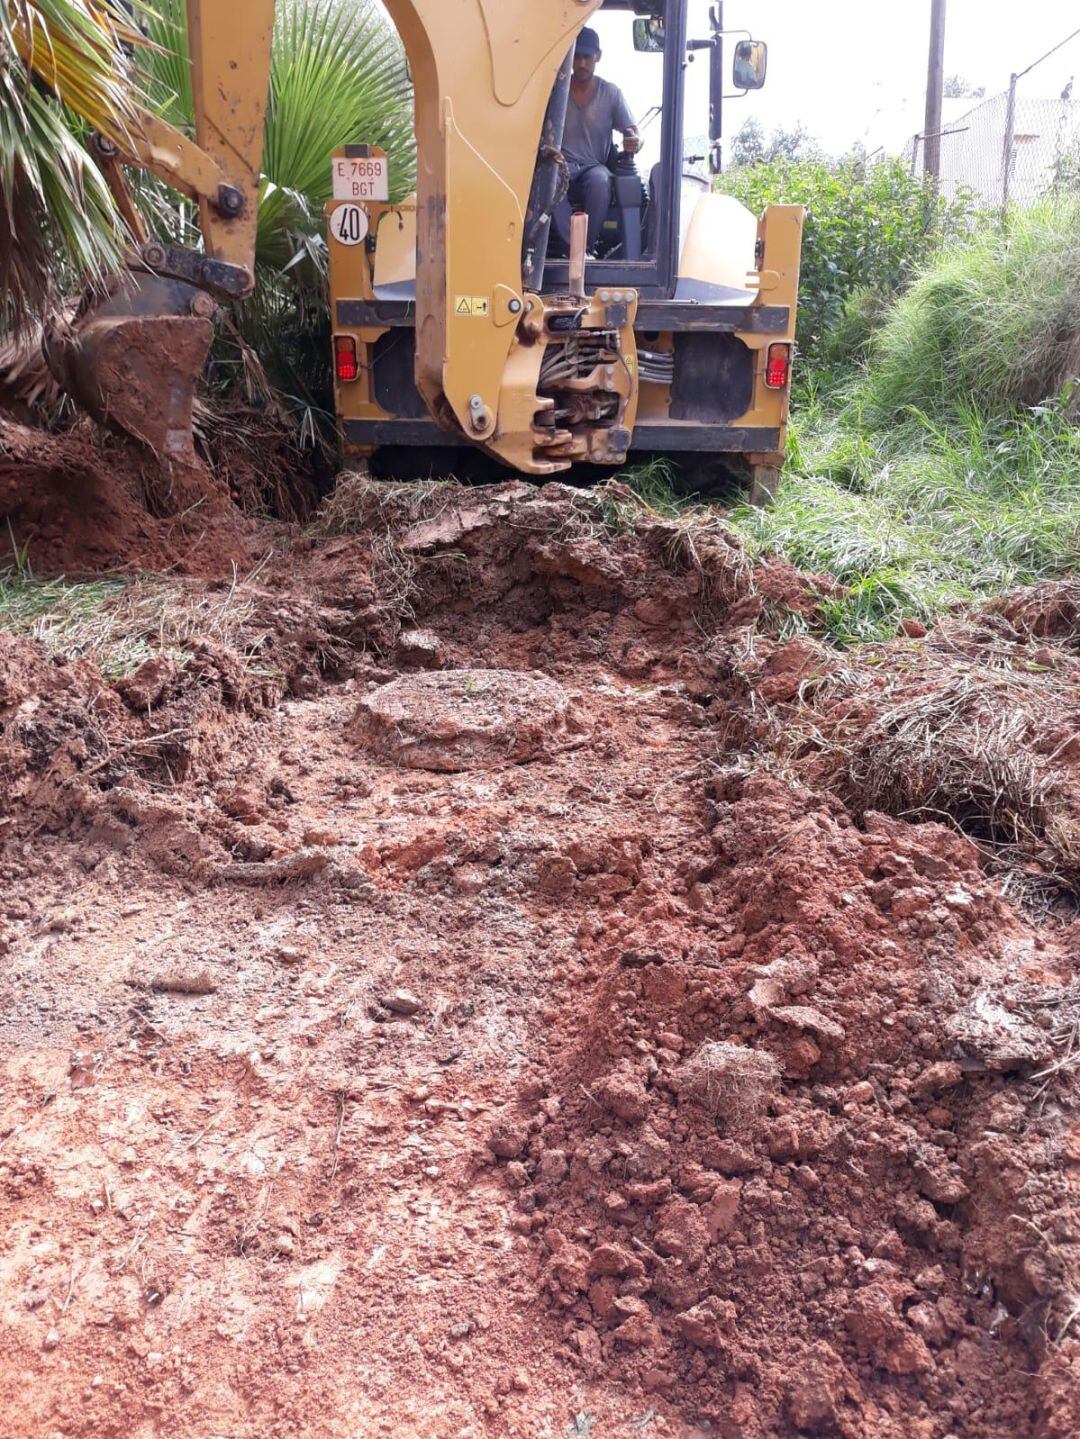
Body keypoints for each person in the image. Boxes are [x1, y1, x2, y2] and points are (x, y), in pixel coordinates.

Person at [562, 27, 641, 253]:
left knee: (601, 181)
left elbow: (634, 132)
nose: (582, 63)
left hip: (591, 168)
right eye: (576, 57)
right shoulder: (557, 90)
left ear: (598, 56)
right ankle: (563, 249)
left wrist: (634, 141)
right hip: (561, 167)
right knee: (546, 180)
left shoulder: (610, 94)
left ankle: (584, 249)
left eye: (587, 57)